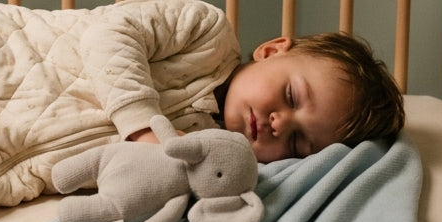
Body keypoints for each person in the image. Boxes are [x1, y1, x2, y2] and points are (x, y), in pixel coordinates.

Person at [126, 30, 404, 164]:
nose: (280, 125)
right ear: (271, 52)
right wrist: (141, 124)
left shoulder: (212, 153)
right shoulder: (205, 36)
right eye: (292, 96)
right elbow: (110, 33)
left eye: (296, 142)